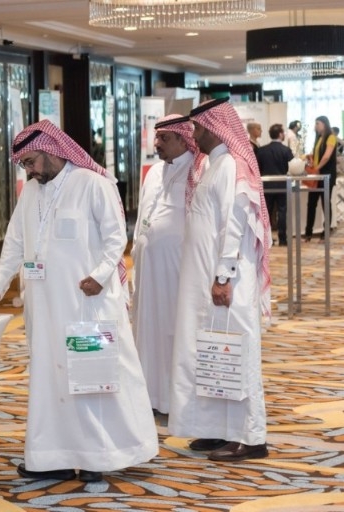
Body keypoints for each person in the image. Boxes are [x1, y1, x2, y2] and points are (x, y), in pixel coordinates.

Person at [0, 120, 158, 482]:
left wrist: (101, 275)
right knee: (50, 379)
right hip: (44, 307)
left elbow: (115, 238)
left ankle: (97, 457)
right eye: (24, 165)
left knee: (92, 378)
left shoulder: (93, 184)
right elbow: (15, 242)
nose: (29, 170)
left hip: (87, 303)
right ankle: (52, 457)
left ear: (50, 151)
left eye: (31, 162)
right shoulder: (31, 193)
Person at [168, 97, 271, 462]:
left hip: (227, 281)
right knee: (212, 355)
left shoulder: (230, 166)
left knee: (236, 355)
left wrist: (224, 275)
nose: (193, 135)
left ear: (214, 127)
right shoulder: (214, 165)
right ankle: (217, 430)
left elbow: (234, 225)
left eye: (197, 128)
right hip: (206, 281)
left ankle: (251, 437)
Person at [131, 114, 197, 415]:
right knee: (146, 331)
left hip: (177, 272)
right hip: (148, 271)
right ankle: (149, 396)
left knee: (173, 331)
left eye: (164, 138)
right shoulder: (154, 172)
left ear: (184, 139)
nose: (156, 143)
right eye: (156, 137)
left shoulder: (197, 171)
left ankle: (174, 401)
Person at [256, 123, 294, 246]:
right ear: (280, 134)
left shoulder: (262, 150)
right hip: (282, 185)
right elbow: (292, 167)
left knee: (266, 212)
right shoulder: (286, 150)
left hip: (266, 185)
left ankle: (266, 239)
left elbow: (258, 168)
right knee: (282, 212)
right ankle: (282, 239)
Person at [304, 115, 337, 242]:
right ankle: (308, 232)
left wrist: (317, 168)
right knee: (311, 203)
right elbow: (318, 156)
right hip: (317, 174)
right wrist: (311, 160)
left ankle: (326, 232)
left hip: (326, 174)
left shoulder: (331, 137)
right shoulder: (318, 138)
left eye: (317, 123)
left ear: (324, 124)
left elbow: (327, 156)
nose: (315, 126)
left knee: (325, 203)